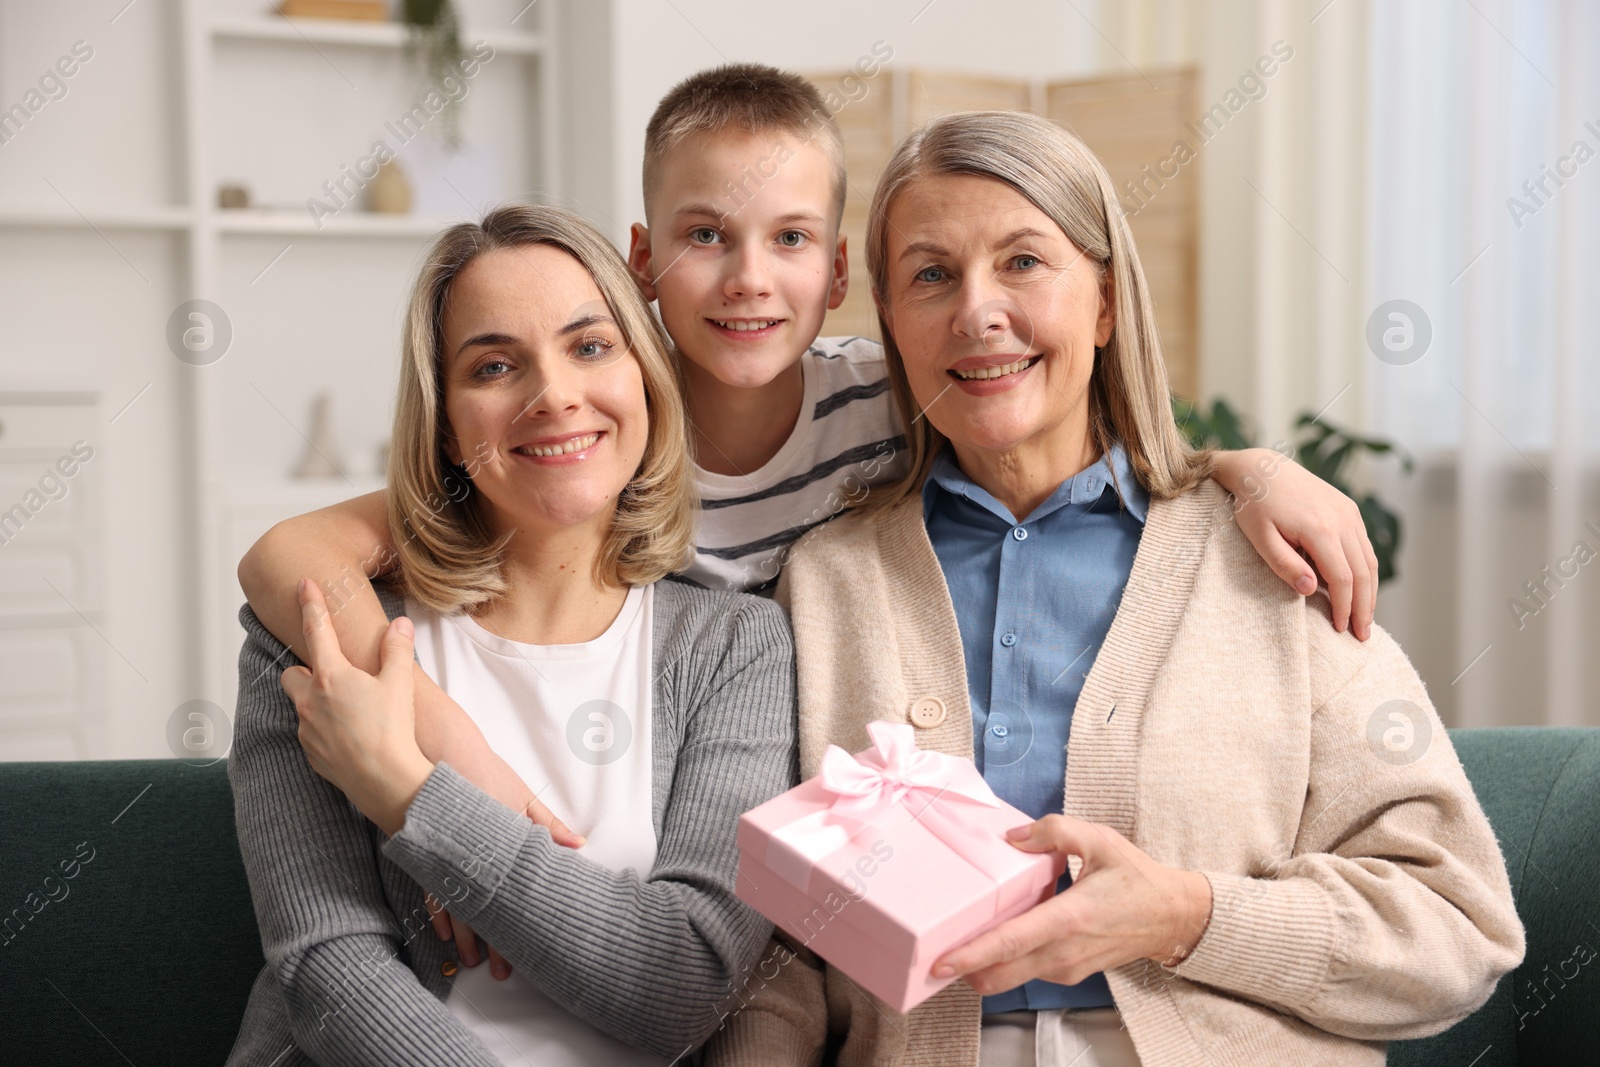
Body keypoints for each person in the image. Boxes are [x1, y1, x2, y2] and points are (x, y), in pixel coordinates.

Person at [237, 72, 1384, 979]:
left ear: (840, 276)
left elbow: (1051, 401)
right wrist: (460, 762)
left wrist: (1242, 467)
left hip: (761, 803)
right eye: (703, 236)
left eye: (789, 239)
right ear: (641, 261)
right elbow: (290, 556)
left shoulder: (893, 396)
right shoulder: (593, 430)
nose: (746, 278)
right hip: (656, 790)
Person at [704, 111, 1523, 1067]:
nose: (977, 311)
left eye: (1022, 261)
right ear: (890, 322)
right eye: (931, 274)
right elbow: (775, 943)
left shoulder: (1266, 559)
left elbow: (1457, 925)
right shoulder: (826, 581)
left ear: (1102, 303)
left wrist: (1182, 914)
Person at [224, 204, 796, 1067]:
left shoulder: (738, 647)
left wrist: (414, 797)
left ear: (644, 378)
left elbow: (681, 983)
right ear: (447, 421)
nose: (555, 394)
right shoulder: (320, 634)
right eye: (494, 365)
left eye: (591, 346)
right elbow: (326, 966)